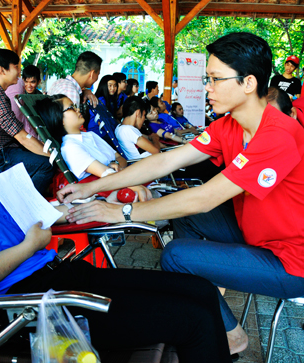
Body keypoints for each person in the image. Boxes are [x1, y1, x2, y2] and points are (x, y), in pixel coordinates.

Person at [0, 90, 232, 363]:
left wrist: (67, 209)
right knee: (192, 320)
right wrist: (28, 245)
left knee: (198, 290)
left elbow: (25, 220)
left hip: (61, 276)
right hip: (28, 307)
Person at [58, 32, 304, 357]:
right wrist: (92, 187)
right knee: (185, 219)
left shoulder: (278, 134)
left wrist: (120, 213)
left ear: (248, 83)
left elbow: (206, 197)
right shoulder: (229, 125)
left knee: (176, 255)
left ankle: (229, 333)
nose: (207, 88)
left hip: (292, 260)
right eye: (207, 79)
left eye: (216, 80)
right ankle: (215, 309)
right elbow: (168, 159)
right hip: (257, 233)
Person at [0, 49, 53, 194]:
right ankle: (25, 206)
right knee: (47, 164)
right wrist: (53, 156)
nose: (20, 72)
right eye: (16, 67)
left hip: (0, 151)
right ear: (2, 70)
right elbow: (22, 137)